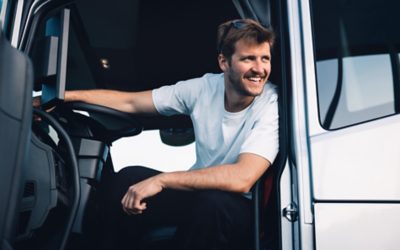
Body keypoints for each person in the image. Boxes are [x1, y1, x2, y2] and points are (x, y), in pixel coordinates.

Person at [48, 18, 279, 249]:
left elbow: (242, 178)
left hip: (241, 209)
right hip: (201, 197)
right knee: (130, 179)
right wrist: (65, 97)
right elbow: (132, 102)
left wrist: (163, 180)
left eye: (265, 59)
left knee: (213, 205)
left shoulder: (272, 103)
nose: (260, 69)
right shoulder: (204, 88)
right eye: (249, 59)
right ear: (224, 62)